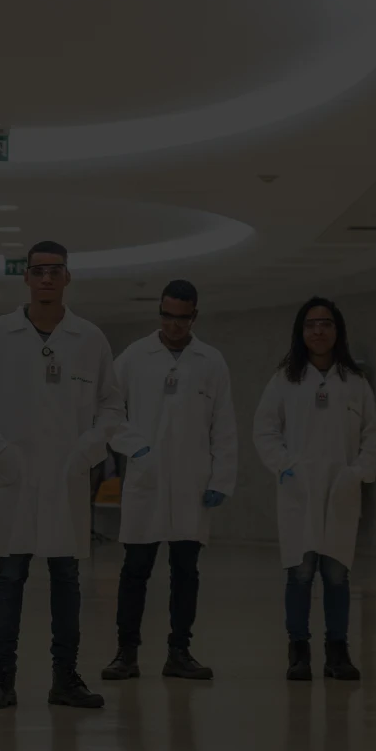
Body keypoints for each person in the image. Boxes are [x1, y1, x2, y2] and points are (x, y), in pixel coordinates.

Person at [0, 241, 125, 710]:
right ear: (26, 277)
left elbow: (112, 404)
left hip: (67, 476)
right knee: (10, 575)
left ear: (68, 276)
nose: (47, 278)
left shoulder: (89, 337)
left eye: (55, 270)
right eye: (38, 270)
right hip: (15, 473)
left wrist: (87, 451)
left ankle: (66, 679)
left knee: (66, 577)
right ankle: (1, 679)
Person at [101, 279, 236, 683]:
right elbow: (107, 409)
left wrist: (221, 477)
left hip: (193, 483)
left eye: (182, 318)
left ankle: (179, 652)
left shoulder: (211, 361)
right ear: (159, 312)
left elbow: (224, 424)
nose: (173, 325)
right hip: (147, 479)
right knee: (135, 569)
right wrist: (135, 447)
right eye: (167, 315)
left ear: (195, 316)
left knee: (186, 572)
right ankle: (126, 653)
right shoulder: (134, 357)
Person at [253, 297, 376, 682]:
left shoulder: (355, 382)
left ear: (337, 330)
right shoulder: (285, 379)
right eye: (311, 324)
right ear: (301, 332)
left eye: (325, 323)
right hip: (299, 491)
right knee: (300, 572)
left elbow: (372, 434)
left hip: (341, 490)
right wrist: (285, 466)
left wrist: (357, 473)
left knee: (337, 575)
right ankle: (299, 650)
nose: (318, 331)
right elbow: (265, 429)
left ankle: (338, 652)